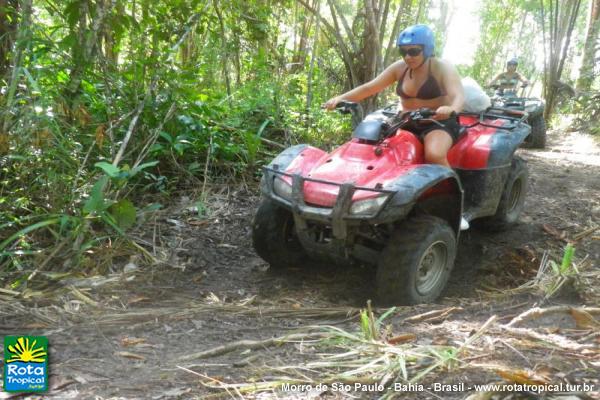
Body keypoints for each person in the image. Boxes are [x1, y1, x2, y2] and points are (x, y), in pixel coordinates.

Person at [323, 24, 468, 229]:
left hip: (438, 122)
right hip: (406, 121)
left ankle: (457, 208)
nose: (408, 56)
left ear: (427, 49)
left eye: (414, 51)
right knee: (375, 148)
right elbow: (370, 87)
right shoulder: (399, 68)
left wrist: (451, 108)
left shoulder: (441, 67)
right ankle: (368, 198)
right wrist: (340, 98)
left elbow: (458, 95)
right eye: (404, 51)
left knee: (434, 154)